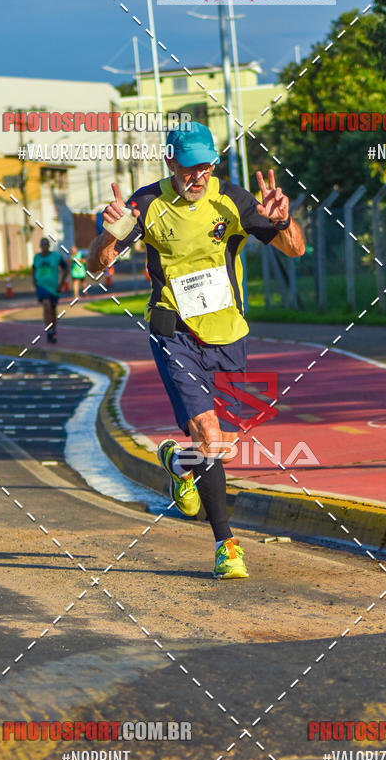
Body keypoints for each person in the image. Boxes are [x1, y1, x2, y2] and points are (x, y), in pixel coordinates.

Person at [88, 122, 305, 579]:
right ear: (170, 163)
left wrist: (283, 221)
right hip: (174, 334)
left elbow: (295, 250)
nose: (199, 177)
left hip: (228, 333)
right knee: (209, 436)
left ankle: (178, 463)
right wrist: (109, 235)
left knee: (221, 443)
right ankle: (227, 544)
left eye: (206, 167)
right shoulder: (146, 204)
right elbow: (97, 266)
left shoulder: (235, 200)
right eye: (189, 169)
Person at [32, 237, 68, 343]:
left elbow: (65, 268)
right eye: (42, 244)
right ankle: (49, 331)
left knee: (52, 310)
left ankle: (53, 329)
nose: (45, 246)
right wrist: (33, 279)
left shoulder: (56, 257)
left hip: (54, 287)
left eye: (46, 244)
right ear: (40, 246)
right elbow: (33, 269)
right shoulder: (37, 257)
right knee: (47, 306)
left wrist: (61, 284)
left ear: (48, 246)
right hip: (41, 286)